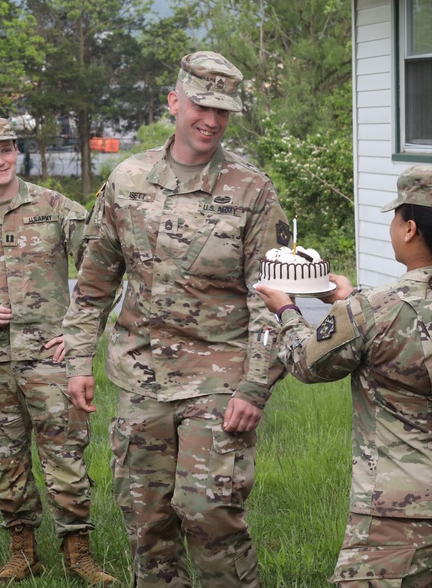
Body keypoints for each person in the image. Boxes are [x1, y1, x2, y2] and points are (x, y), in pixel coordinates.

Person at [62, 51, 291, 587]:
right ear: (175, 102)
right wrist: (77, 360)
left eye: (223, 111)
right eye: (201, 106)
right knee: (146, 517)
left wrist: (256, 387)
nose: (211, 121)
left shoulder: (251, 191)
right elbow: (96, 280)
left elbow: (272, 297)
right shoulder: (128, 179)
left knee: (209, 513)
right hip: (140, 380)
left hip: (220, 379)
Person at [256, 165, 432, 588]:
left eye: (395, 218)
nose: (392, 226)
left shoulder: (376, 308)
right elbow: (413, 321)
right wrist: (347, 299)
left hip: (401, 508)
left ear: (410, 228)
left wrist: (285, 311)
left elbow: (306, 362)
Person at [0, 117, 117, 585]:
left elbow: (104, 266)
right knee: (4, 462)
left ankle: (79, 556)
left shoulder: (55, 208)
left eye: (6, 149)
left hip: (50, 360)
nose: (0, 160)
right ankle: (23, 552)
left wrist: (78, 337)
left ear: (16, 151)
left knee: (66, 457)